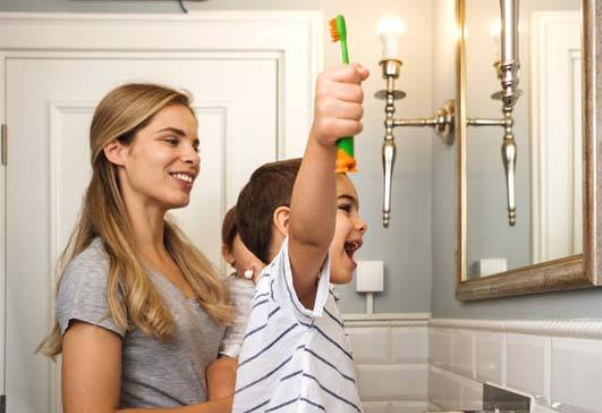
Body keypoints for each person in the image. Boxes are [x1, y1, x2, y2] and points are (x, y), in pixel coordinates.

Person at [38, 83, 234, 412]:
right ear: (116, 151)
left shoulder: (192, 266)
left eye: (195, 144)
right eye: (172, 140)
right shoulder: (96, 273)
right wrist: (237, 407)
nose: (192, 156)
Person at [231, 63, 369, 413]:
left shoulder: (310, 298)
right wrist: (321, 140)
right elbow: (310, 238)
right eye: (344, 208)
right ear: (288, 223)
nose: (361, 222)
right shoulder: (284, 289)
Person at [205, 207, 265, 402]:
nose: (260, 249)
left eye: (265, 240)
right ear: (229, 254)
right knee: (219, 372)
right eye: (250, 241)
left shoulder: (282, 283)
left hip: (271, 353)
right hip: (234, 355)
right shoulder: (223, 288)